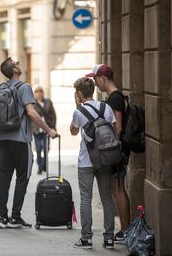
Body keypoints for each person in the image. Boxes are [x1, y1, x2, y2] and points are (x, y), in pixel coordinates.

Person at [0, 57, 58, 229]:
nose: (19, 63)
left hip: (2, 140)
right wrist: (49, 130)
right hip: (20, 139)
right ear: (15, 71)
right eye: (17, 63)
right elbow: (31, 112)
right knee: (22, 177)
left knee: (3, 179)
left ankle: (2, 218)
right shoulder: (23, 87)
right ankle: (15, 216)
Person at [86, 64, 131, 243]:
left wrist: (110, 148)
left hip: (116, 150)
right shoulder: (115, 97)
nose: (96, 84)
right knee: (117, 188)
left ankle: (125, 231)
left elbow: (117, 127)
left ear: (103, 78)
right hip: (117, 148)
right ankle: (125, 229)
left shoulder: (115, 99)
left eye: (96, 79)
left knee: (117, 189)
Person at [70, 77, 116, 249]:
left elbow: (73, 131)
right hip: (105, 159)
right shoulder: (106, 107)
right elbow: (113, 128)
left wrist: (77, 107)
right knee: (106, 198)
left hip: (86, 161)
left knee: (86, 198)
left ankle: (86, 239)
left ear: (80, 94)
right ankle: (109, 239)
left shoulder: (79, 112)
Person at [31, 85, 57, 175]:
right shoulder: (32, 103)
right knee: (38, 148)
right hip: (36, 129)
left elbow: (53, 115)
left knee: (46, 148)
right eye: (37, 91)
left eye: (40, 91)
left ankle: (44, 165)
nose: (39, 93)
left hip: (47, 129)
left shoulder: (48, 102)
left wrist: (53, 127)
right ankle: (40, 167)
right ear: (34, 93)